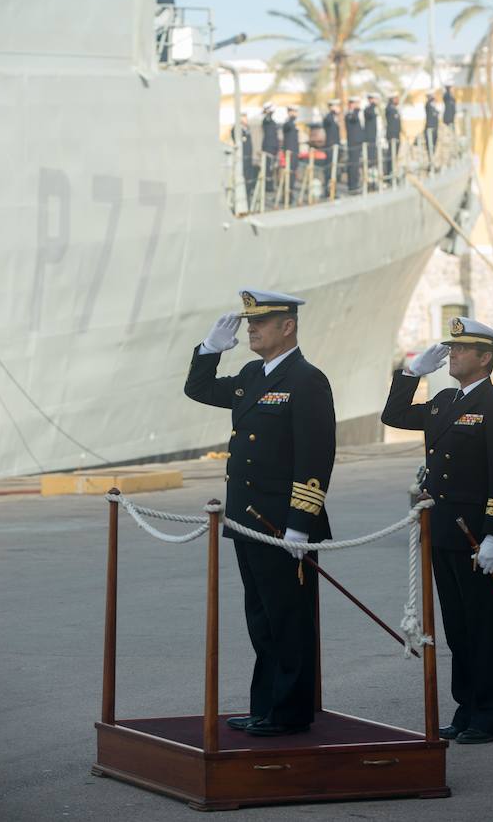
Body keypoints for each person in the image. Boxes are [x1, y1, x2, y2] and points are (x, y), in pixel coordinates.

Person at [184, 289, 336, 736]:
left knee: (289, 620)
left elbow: (316, 457)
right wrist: (209, 350)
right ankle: (266, 706)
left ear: (287, 327)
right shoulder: (253, 374)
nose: (250, 328)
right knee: (262, 620)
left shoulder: (308, 380)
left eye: (260, 322)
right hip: (248, 522)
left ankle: (289, 712)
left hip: (282, 526)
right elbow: (199, 389)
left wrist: (300, 525)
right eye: (249, 321)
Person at [381, 316, 493, 745]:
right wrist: (409, 375)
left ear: (485, 358)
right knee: (458, 627)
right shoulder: (443, 401)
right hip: (441, 531)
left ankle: (491, 715)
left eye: (462, 349)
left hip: (476, 534)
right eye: (451, 348)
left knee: (483, 626)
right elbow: (395, 415)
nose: (453, 354)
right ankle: (466, 707)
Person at [231, 113, 255, 199]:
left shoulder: (246, 129)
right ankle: (243, 194)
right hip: (242, 157)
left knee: (249, 176)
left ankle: (248, 192)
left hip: (248, 156)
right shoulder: (236, 129)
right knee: (243, 175)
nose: (247, 120)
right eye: (245, 118)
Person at [345, 97, 363, 193]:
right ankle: (352, 186)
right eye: (356, 104)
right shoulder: (349, 115)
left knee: (356, 165)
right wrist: (355, 110)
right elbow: (354, 119)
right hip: (353, 143)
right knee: (353, 164)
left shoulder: (355, 114)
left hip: (358, 143)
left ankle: (355, 184)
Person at [323, 99, 341, 195]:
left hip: (336, 147)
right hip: (331, 147)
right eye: (335, 106)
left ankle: (333, 190)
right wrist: (333, 112)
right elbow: (327, 122)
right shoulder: (328, 117)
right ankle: (328, 190)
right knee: (330, 170)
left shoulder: (334, 118)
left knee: (335, 170)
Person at [282, 106, 300, 195]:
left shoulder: (293, 124)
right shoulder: (288, 123)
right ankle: (286, 195)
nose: (295, 114)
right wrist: (290, 117)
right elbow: (286, 127)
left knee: (293, 174)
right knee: (289, 174)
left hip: (295, 152)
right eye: (293, 112)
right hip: (290, 153)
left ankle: (290, 192)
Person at [261, 104, 278, 192]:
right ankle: (267, 187)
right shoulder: (266, 120)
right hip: (268, 147)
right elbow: (267, 118)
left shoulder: (273, 122)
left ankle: (270, 186)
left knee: (272, 168)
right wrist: (266, 111)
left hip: (273, 147)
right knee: (267, 168)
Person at [385, 93, 402, 179]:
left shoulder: (394, 109)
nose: (398, 100)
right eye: (396, 98)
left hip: (396, 135)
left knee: (395, 155)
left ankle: (394, 173)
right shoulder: (390, 108)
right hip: (392, 136)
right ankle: (390, 174)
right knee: (391, 155)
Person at [363, 93, 378, 168]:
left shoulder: (375, 109)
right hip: (369, 137)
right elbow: (370, 115)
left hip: (375, 137)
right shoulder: (368, 109)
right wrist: (372, 104)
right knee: (370, 157)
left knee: (374, 157)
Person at [424, 92, 439, 158]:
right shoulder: (428, 105)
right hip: (430, 128)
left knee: (434, 145)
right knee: (430, 146)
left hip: (435, 128)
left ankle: (432, 158)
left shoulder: (433, 106)